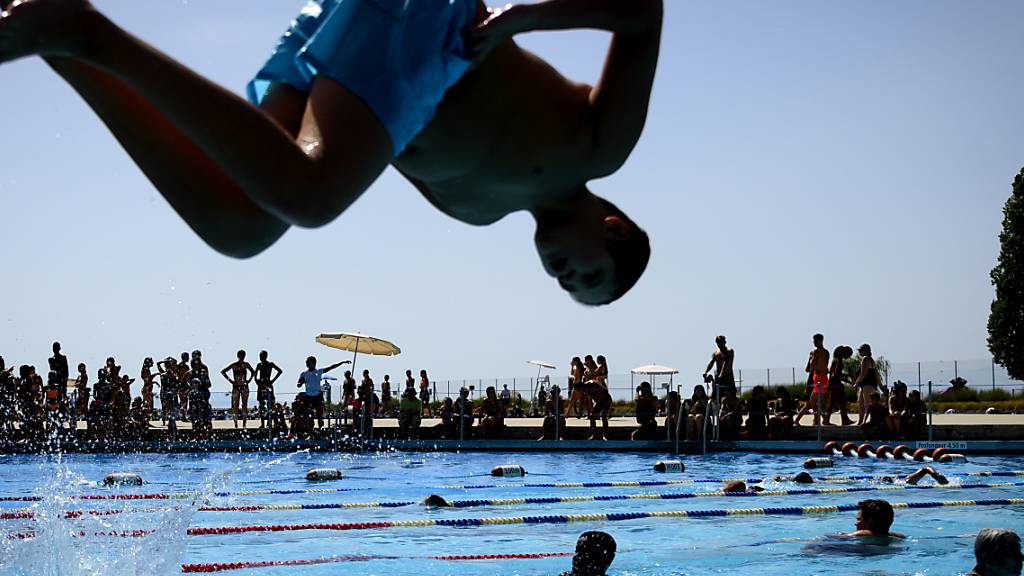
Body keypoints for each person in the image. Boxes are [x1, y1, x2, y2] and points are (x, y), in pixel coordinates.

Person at [2, 0, 661, 304]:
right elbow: (642, 12)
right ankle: (85, 33)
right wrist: (522, 17)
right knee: (310, 196)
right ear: (614, 229)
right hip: (426, 22)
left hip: (351, 56)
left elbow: (375, 139)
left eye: (567, 288)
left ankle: (58, 43)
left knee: (241, 227)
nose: (563, 277)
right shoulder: (600, 148)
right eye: (588, 275)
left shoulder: (471, 211)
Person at [298, 356, 350, 430]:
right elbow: (298, 385)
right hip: (308, 397)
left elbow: (331, 367)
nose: (306, 363)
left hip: (318, 396)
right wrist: (301, 382)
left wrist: (342, 362)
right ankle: (310, 432)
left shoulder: (319, 371)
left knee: (319, 416)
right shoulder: (303, 374)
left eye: (307, 362)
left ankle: (320, 431)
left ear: (313, 363)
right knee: (308, 416)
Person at [794, 334, 829, 426]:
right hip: (824, 377)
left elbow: (811, 366)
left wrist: (811, 357)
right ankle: (821, 419)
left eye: (815, 341)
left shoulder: (816, 352)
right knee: (819, 401)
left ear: (819, 341)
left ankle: (821, 419)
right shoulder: (826, 352)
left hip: (818, 377)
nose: (813, 343)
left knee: (812, 401)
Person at [221, 350, 255, 428]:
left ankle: (244, 424)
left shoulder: (246, 365)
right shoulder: (234, 365)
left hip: (244, 386)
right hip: (236, 386)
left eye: (243, 356)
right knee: (235, 406)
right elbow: (223, 372)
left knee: (244, 405)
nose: (242, 357)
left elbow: (253, 372)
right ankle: (236, 424)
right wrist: (231, 381)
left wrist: (249, 380)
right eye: (241, 356)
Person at [823, 345, 855, 426]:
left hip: (833, 384)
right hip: (836, 385)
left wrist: (845, 377)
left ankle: (844, 419)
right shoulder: (839, 360)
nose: (849, 357)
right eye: (849, 355)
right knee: (833, 403)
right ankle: (827, 420)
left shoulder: (835, 359)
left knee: (841, 402)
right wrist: (847, 378)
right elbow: (837, 374)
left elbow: (835, 374)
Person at [254, 351, 282, 430]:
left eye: (262, 356)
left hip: (268, 384)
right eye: (260, 356)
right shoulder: (259, 365)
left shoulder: (270, 364)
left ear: (266, 356)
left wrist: (272, 380)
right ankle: (263, 423)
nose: (261, 358)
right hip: (262, 385)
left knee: (270, 405)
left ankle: (268, 423)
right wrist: (256, 380)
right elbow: (255, 374)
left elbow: (280, 371)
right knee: (261, 405)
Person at [853, 344, 880, 426]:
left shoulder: (865, 359)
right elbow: (876, 374)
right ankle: (861, 421)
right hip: (866, 385)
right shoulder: (871, 360)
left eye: (861, 350)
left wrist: (856, 383)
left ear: (866, 350)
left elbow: (863, 373)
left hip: (867, 385)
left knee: (868, 404)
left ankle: (872, 421)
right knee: (861, 403)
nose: (859, 352)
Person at [156, 357, 179, 433]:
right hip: (164, 392)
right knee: (164, 406)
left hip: (171, 392)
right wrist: (165, 361)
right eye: (167, 366)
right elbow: (158, 364)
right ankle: (163, 420)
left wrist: (170, 360)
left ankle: (170, 420)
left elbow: (176, 383)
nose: (168, 367)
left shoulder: (174, 374)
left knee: (172, 406)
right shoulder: (163, 373)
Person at [48, 342, 69, 415]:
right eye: (54, 348)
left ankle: (63, 410)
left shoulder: (63, 358)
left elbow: (66, 371)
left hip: (62, 382)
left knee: (62, 398)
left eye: (56, 348)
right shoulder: (51, 359)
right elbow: (52, 369)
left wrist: (64, 380)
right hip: (54, 382)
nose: (55, 350)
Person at [72, 362, 89, 430]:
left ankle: (88, 425)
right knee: (77, 409)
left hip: (84, 394)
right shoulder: (79, 376)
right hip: (79, 394)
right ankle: (75, 424)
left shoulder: (85, 375)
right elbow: (76, 383)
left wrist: (78, 384)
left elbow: (82, 384)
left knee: (84, 409)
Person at [139, 357, 156, 422]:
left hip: (148, 390)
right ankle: (145, 420)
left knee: (149, 406)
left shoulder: (146, 369)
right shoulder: (146, 370)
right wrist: (155, 375)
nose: (152, 363)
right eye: (151, 362)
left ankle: (146, 420)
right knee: (147, 406)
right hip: (147, 390)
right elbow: (147, 380)